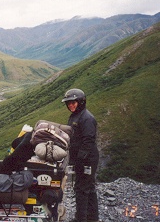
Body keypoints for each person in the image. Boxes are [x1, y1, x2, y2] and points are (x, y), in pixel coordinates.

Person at [62, 88, 99, 222]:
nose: (70, 105)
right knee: (89, 188)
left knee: (81, 189)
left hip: (87, 159)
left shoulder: (87, 118)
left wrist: (80, 160)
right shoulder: (76, 115)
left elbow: (88, 140)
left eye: (73, 102)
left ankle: (80, 219)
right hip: (82, 158)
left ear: (81, 102)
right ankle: (92, 218)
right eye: (68, 103)